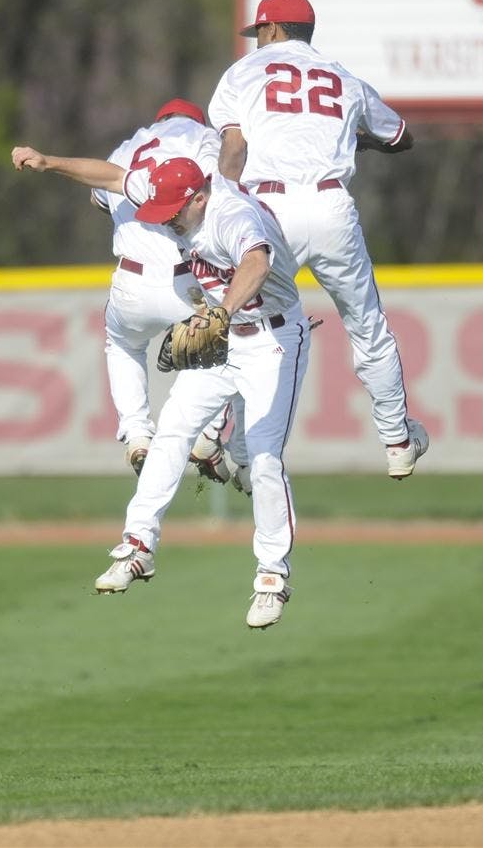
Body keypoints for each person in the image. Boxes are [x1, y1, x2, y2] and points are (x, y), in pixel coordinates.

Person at [208, 0, 429, 479]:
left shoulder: (243, 73)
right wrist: (360, 140)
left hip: (269, 208)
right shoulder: (343, 77)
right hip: (331, 205)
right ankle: (396, 439)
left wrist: (225, 207)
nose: (256, 39)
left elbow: (233, 147)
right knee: (368, 328)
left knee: (257, 331)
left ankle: (229, 446)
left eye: (259, 31)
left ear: (271, 30)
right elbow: (401, 137)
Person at [96, 157, 311, 629]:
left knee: (264, 456)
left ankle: (272, 576)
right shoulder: (178, 203)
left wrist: (223, 311)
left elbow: (255, 261)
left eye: (175, 208)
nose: (167, 216)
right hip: (226, 336)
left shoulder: (230, 216)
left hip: (273, 339)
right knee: (172, 431)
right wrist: (48, 162)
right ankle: (137, 546)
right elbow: (111, 178)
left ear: (199, 198)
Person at [13, 100, 246, 489]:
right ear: (196, 120)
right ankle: (213, 438)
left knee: (121, 344)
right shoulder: (205, 139)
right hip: (187, 283)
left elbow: (99, 196)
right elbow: (226, 185)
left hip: (130, 282)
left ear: (160, 121)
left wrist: (48, 161)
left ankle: (137, 434)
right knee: (238, 345)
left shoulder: (129, 147)